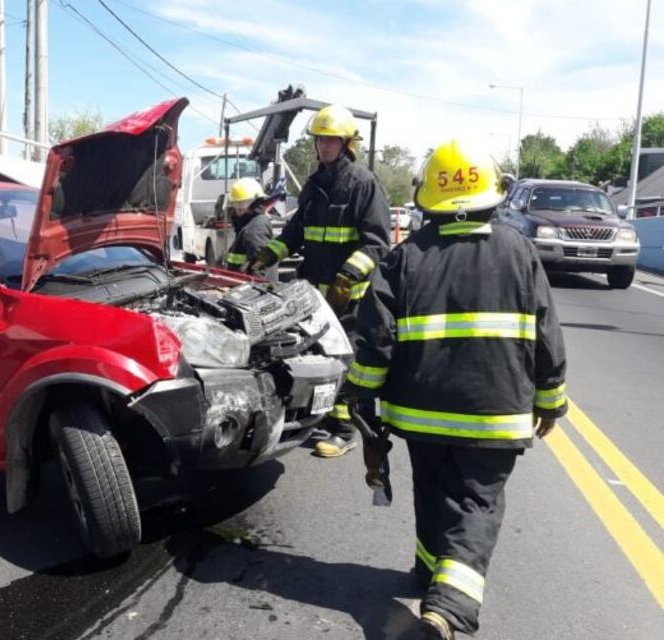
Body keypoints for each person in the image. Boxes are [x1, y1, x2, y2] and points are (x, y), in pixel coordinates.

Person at [343, 139, 568, 639]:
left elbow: (375, 341)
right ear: (494, 192)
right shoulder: (520, 252)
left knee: (431, 490)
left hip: (420, 416)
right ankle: (446, 608)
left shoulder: (405, 257)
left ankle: (429, 574)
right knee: (476, 504)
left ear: (427, 197)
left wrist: (359, 397)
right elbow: (546, 334)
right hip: (495, 415)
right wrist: (551, 400)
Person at [250, 105, 390, 458]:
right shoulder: (314, 185)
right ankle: (321, 416)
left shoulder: (362, 183)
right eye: (319, 140)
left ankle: (345, 429)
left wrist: (350, 274)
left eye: (330, 140)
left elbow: (377, 243)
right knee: (316, 353)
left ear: (346, 144)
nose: (323, 146)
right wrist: (269, 254)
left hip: (349, 295)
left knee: (345, 357)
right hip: (314, 293)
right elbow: (295, 232)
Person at [223, 177, 277, 281]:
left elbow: (260, 270)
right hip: (242, 287)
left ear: (256, 202)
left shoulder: (255, 228)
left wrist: (255, 290)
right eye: (235, 203)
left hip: (254, 290)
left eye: (243, 203)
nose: (238, 208)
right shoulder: (247, 225)